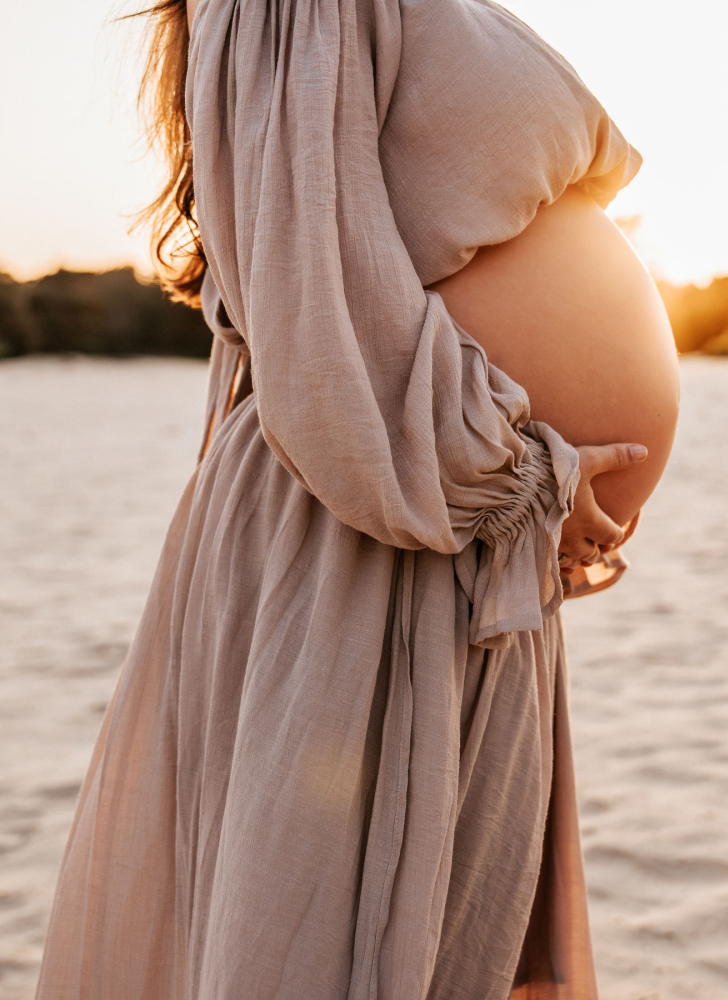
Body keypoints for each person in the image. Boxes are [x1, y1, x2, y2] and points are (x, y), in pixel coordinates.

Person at [35, 0, 679, 997]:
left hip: (448, 531)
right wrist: (512, 477)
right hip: (375, 537)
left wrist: (524, 492)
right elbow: (324, 318)